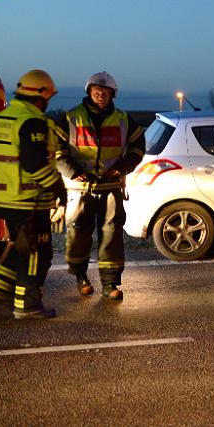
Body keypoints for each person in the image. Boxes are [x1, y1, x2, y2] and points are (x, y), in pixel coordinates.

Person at [55, 71, 145, 300]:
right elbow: (56, 150)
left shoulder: (123, 119)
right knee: (78, 233)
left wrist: (124, 166)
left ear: (112, 94)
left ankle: (110, 284)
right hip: (79, 189)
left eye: (105, 92)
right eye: (97, 91)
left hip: (110, 187)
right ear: (89, 92)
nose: (101, 95)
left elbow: (137, 146)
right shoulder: (70, 117)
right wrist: (73, 172)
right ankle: (80, 277)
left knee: (112, 236)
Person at [0, 69, 66, 319]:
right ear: (41, 94)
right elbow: (34, 164)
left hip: (6, 197)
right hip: (28, 200)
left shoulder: (4, 117)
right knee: (36, 252)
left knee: (21, 246)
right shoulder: (32, 121)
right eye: (48, 97)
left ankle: (0, 287)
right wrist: (57, 187)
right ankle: (27, 305)